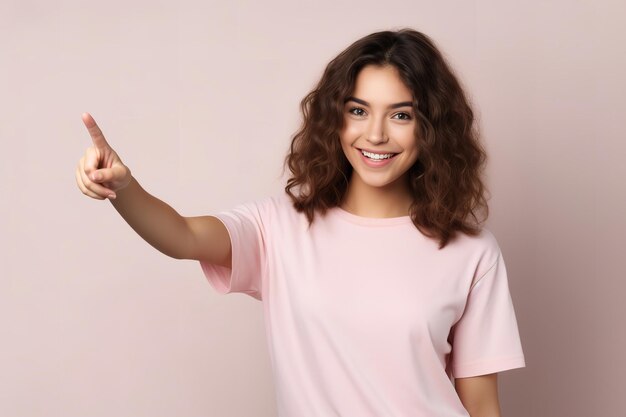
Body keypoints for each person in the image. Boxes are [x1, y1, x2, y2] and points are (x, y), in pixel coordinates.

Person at [75, 28, 525, 417]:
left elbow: (482, 406)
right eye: (358, 110)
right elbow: (182, 236)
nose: (376, 134)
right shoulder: (280, 228)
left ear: (431, 129)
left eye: (401, 115)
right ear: (335, 118)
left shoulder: (472, 253)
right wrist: (123, 187)